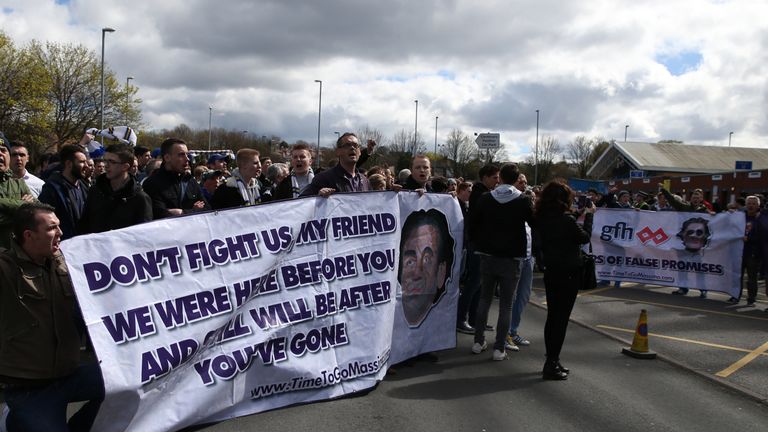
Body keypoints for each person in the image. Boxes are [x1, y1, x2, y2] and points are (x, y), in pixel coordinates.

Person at [0, 202, 104, 431]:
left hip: (70, 373)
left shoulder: (66, 261)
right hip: (30, 386)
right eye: (52, 228)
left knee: (137, 382)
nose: (61, 232)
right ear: (29, 235)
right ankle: (13, 420)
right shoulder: (5, 269)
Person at [467, 164, 533, 361]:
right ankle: (499, 348)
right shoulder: (523, 200)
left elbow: (473, 222)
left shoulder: (486, 198)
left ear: (501, 177)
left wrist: (479, 242)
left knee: (484, 300)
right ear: (515, 179)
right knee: (506, 306)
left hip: (488, 255)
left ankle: (478, 342)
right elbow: (534, 222)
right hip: (512, 258)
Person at [535, 179, 594, 380]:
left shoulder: (542, 217)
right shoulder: (566, 221)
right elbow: (584, 237)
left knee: (552, 317)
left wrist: (578, 215)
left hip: (552, 270)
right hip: (568, 272)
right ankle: (551, 362)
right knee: (560, 320)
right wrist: (589, 218)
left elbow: (564, 225)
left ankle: (552, 358)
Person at [456, 164, 500, 334]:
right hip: (478, 244)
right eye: (495, 177)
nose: (497, 180)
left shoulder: (483, 192)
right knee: (473, 283)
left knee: (480, 285)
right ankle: (461, 319)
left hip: (483, 244)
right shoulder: (480, 194)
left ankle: (475, 320)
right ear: (485, 177)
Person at [77, 144, 153, 234]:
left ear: (125, 166)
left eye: (112, 162)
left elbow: (144, 234)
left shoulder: (140, 198)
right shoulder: (96, 191)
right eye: (105, 161)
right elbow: (84, 225)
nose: (106, 165)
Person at [398, 209, 454, 326]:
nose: (417, 273)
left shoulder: (439, 331)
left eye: (427, 260)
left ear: (441, 272)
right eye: (410, 262)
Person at [660, 185, 711, 297]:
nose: (695, 199)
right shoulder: (684, 208)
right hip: (683, 244)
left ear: (701, 199)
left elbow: (715, 221)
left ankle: (703, 289)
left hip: (697, 246)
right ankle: (683, 288)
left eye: (698, 197)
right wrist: (664, 190)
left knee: (699, 269)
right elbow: (673, 201)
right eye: (694, 196)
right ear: (691, 198)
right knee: (682, 267)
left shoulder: (705, 211)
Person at [142, 138, 210, 219]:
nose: (187, 159)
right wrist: (193, 210)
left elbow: (207, 209)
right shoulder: (152, 183)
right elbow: (158, 214)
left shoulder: (190, 180)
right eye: (181, 155)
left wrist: (183, 212)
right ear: (167, 158)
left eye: (187, 154)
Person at [38, 144, 89, 240]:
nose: (86, 166)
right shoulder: (52, 190)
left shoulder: (85, 187)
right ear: (69, 164)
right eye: (82, 162)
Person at [508, 173, 534, 348]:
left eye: (525, 181)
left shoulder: (527, 205)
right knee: (510, 298)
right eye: (520, 181)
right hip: (513, 258)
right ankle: (505, 335)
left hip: (528, 258)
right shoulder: (508, 204)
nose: (524, 184)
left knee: (523, 297)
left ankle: (513, 331)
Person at [301, 133, 370, 197]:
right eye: (347, 145)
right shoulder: (323, 178)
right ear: (337, 152)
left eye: (355, 145)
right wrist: (317, 196)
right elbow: (301, 203)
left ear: (360, 152)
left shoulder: (365, 181)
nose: (352, 148)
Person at [0, 135, 35, 249]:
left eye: (3, 150)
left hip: (19, 254)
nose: (0, 154)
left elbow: (38, 211)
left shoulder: (19, 183)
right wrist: (23, 206)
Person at [732, 196, 762, 305]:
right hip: (739, 252)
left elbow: (763, 236)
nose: (751, 206)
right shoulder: (740, 217)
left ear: (758, 206)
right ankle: (736, 295)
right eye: (749, 203)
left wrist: (749, 239)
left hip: (753, 253)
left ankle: (751, 298)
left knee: (751, 277)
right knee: (737, 275)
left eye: (754, 204)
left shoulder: (761, 219)